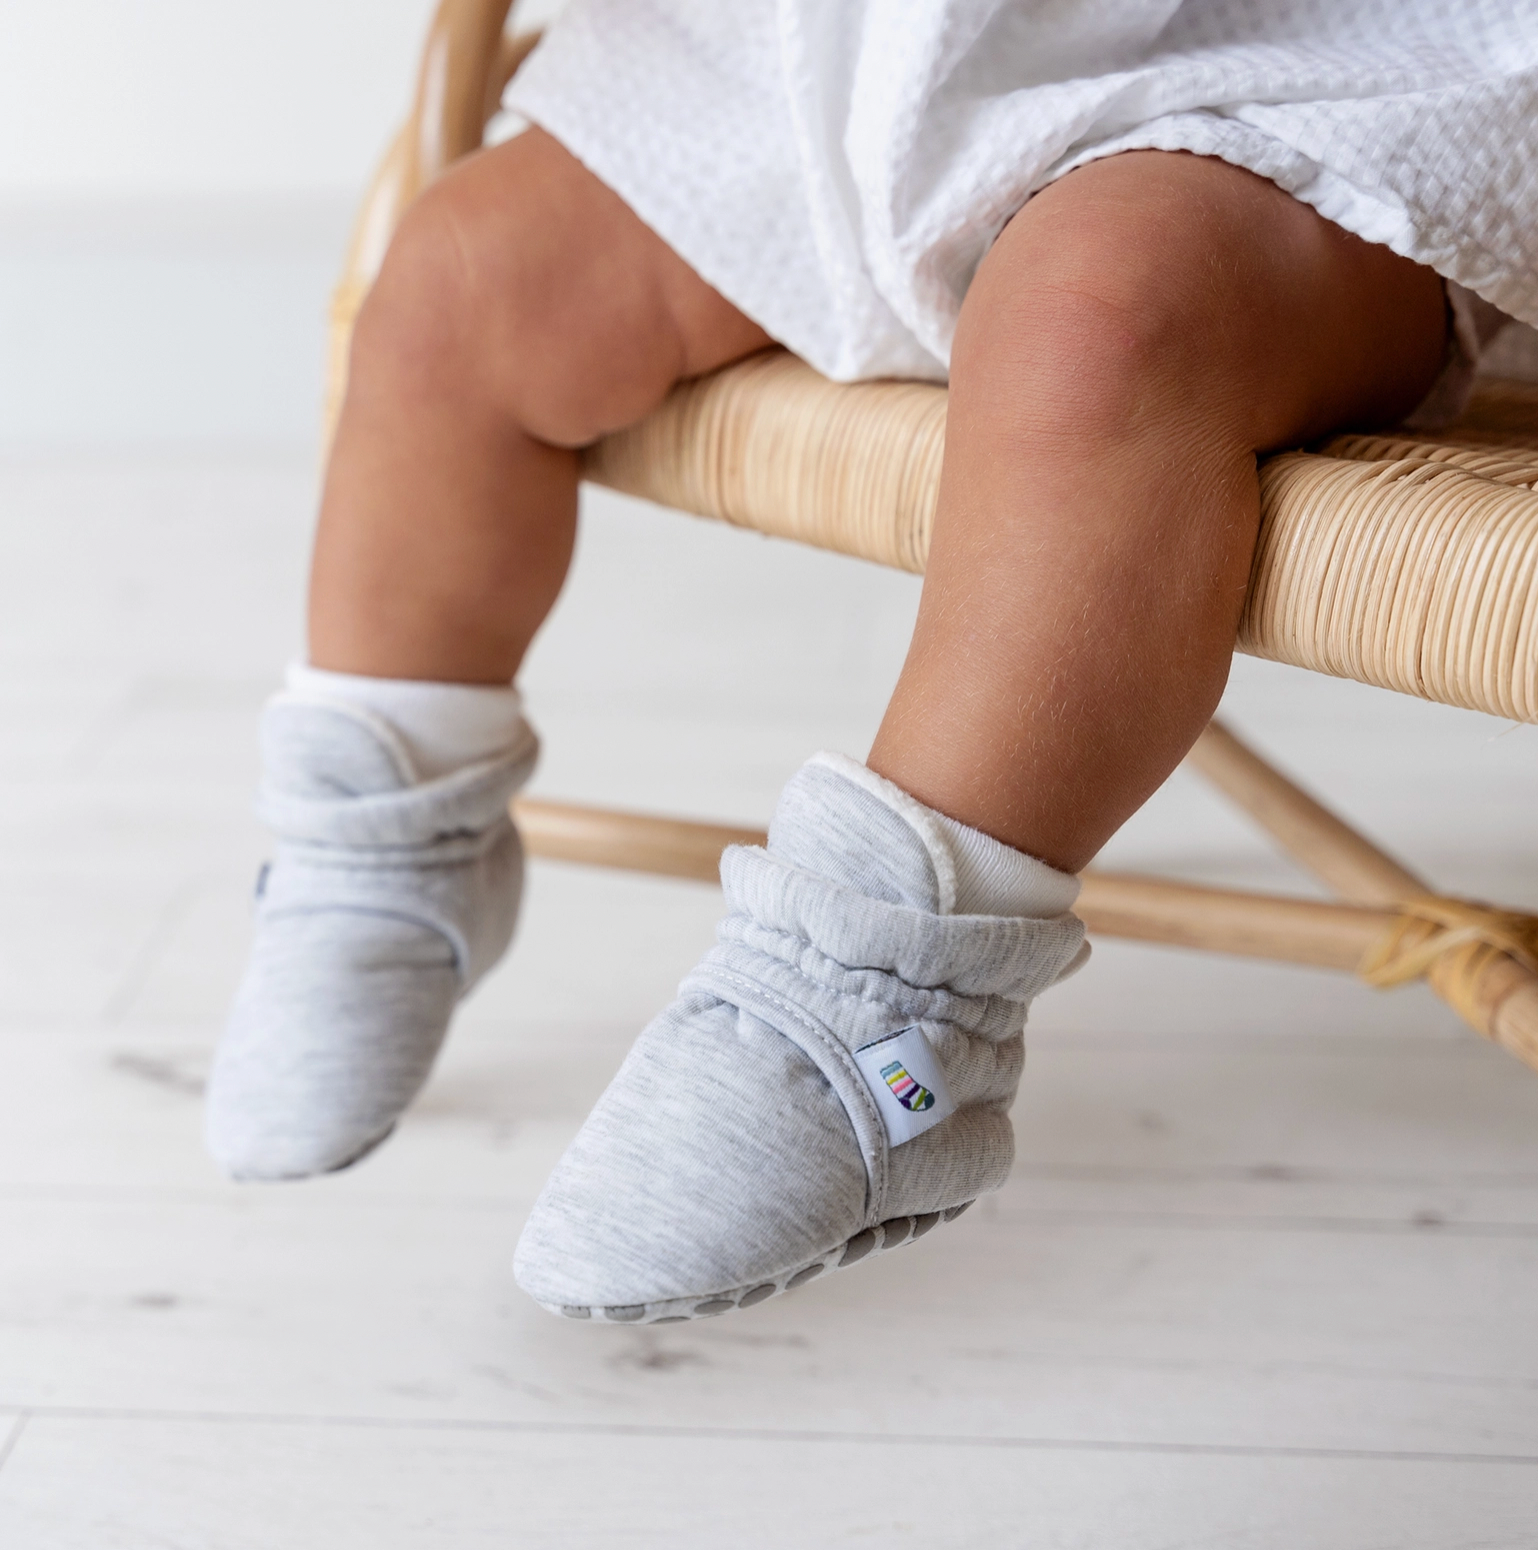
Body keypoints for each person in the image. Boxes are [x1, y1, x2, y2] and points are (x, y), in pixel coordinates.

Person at [204, 0, 1535, 1323]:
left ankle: (891, 1013)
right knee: (459, 280)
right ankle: (384, 835)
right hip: (838, 72)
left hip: (1281, 69)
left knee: (1105, 321)